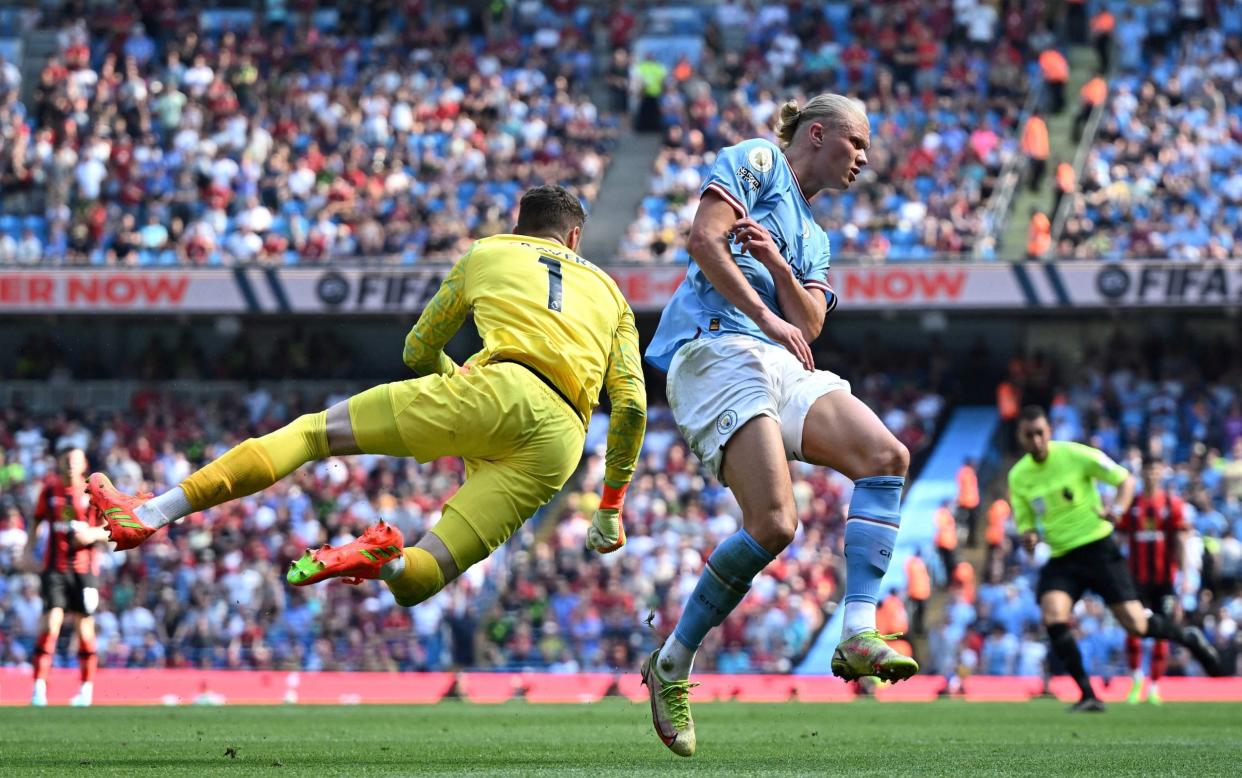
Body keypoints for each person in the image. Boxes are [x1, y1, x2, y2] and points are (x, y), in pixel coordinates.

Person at [90, 185, 646, 616]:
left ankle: (148, 513)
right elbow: (632, 408)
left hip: (497, 386)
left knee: (311, 435)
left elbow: (418, 348)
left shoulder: (488, 252)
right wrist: (609, 507)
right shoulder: (611, 293)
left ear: (518, 225)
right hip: (562, 440)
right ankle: (389, 558)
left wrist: (459, 382)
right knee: (425, 572)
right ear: (574, 239)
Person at [640, 93, 916, 758]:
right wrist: (767, 314)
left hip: (778, 359)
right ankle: (673, 662)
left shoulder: (816, 237)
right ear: (818, 134)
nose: (863, 161)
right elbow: (703, 239)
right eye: (857, 144)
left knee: (887, 456)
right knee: (774, 524)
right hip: (713, 348)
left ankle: (857, 632)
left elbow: (812, 323)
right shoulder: (757, 160)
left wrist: (779, 266)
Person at [1007, 406, 1221, 713]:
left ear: (1049, 432)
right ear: (1021, 437)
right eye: (1030, 435)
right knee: (1053, 614)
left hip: (1097, 547)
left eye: (1041, 433)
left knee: (1135, 624)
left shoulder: (1076, 454)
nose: (1037, 440)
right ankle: (1087, 694)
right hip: (1062, 556)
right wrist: (1028, 536)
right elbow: (1025, 519)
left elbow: (1125, 480)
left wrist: (1117, 511)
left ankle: (1188, 636)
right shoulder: (1018, 476)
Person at [23, 449, 109, 707]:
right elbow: (36, 520)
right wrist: (28, 550)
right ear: (60, 463)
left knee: (84, 627)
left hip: (85, 571)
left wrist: (91, 535)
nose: (70, 465)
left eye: (75, 460)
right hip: (55, 568)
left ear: (84, 464)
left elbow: (111, 528)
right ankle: (39, 689)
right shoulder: (50, 490)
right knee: (51, 624)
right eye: (66, 460)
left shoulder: (94, 492)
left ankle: (86, 690)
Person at [1116, 454, 1189, 705]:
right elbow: (1120, 536)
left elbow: (1180, 541)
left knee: (1161, 633)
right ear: (1142, 473)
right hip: (1136, 580)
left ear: (1162, 472)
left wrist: (1186, 575)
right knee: (1133, 629)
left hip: (1163, 581)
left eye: (1155, 470)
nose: (1151, 474)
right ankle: (1137, 679)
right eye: (1147, 470)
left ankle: (1155, 686)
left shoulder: (1171, 504)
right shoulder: (1133, 504)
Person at [957, 457, 981, 547]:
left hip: (967, 502)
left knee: (968, 524)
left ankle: (969, 541)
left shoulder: (964, 472)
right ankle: (969, 541)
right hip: (969, 503)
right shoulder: (967, 472)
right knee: (970, 524)